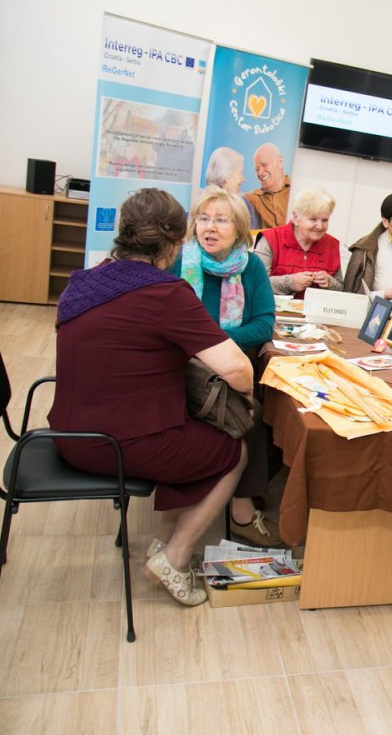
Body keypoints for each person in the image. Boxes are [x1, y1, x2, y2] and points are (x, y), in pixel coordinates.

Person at [50, 188, 251, 606]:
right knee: (233, 450)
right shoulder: (165, 293)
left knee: (185, 426)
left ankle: (167, 539)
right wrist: (247, 393)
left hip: (67, 432)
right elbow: (237, 370)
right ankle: (175, 557)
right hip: (117, 444)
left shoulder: (83, 282)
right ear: (176, 243)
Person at [171, 185, 281, 547]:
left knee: (258, 411)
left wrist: (211, 341)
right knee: (250, 415)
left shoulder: (251, 267)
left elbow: (264, 325)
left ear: (239, 229)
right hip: (181, 372)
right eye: (203, 218)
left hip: (232, 372)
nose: (210, 227)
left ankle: (239, 505)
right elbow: (164, 323)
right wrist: (209, 346)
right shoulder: (179, 261)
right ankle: (242, 512)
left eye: (221, 220)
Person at [254, 187, 344, 297]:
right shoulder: (271, 239)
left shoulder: (333, 245)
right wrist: (289, 282)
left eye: (325, 220)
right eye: (313, 219)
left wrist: (330, 282)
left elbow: (343, 289)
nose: (320, 226)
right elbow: (255, 283)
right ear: (296, 218)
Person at [204, 146, 259, 229]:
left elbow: (253, 235)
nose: (243, 179)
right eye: (240, 173)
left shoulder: (245, 205)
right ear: (225, 177)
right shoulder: (200, 206)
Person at [245, 143, 291, 229]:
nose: (260, 173)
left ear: (280, 162)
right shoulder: (252, 198)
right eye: (257, 169)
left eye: (264, 165)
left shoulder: (298, 189)